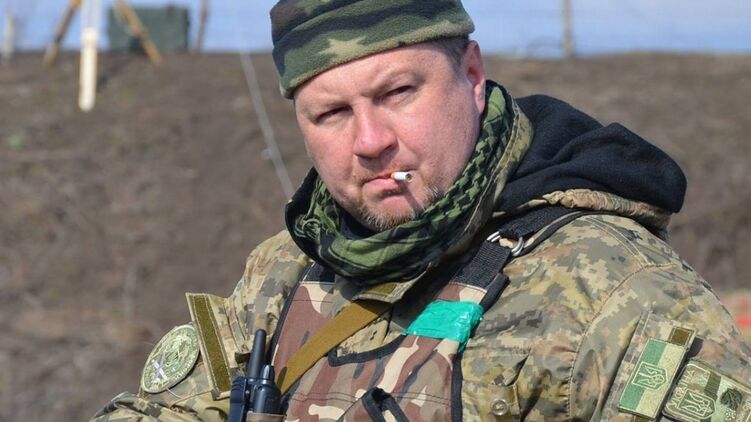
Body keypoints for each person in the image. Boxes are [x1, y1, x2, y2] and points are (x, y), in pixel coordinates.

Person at [91, 1, 751, 421]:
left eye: (398, 92)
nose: (370, 141)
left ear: (471, 75)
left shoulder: (613, 289)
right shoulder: (281, 272)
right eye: (331, 113)